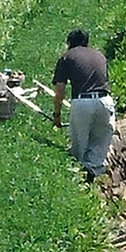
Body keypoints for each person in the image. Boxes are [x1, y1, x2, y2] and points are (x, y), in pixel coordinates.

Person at [51, 28, 114, 182]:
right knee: (101, 141)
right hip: (105, 101)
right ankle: (92, 172)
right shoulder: (100, 56)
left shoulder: (67, 57)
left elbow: (60, 91)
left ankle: (78, 177)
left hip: (82, 102)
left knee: (79, 144)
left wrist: (57, 115)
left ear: (69, 43)